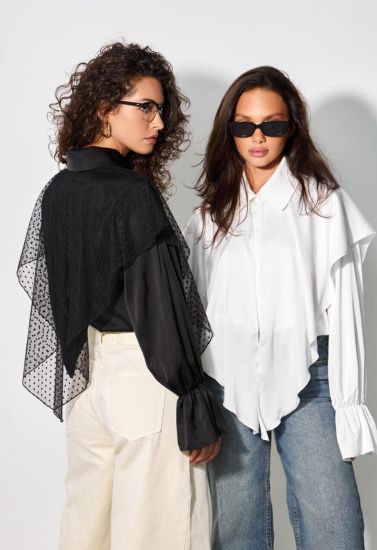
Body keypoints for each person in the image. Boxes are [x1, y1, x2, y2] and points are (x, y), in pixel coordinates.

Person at [17, 42, 224, 550]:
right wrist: (192, 399)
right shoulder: (132, 194)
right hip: (147, 377)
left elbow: (60, 297)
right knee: (162, 531)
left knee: (87, 529)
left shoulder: (59, 190)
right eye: (145, 107)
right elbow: (160, 308)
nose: (159, 122)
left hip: (88, 386)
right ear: (105, 109)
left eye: (162, 109)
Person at [183, 66, 377, 550]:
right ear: (229, 130)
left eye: (271, 125)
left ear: (291, 127)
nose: (258, 137)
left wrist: (349, 406)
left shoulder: (324, 206)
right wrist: (194, 402)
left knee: (334, 526)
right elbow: (195, 314)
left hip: (310, 379)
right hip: (225, 382)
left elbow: (346, 310)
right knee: (236, 532)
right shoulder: (210, 216)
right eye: (244, 125)